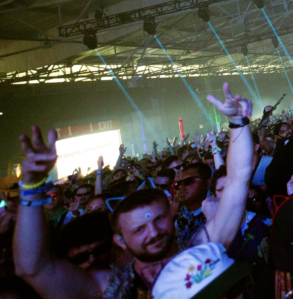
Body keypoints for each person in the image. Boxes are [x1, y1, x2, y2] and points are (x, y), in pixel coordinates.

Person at [13, 82, 254, 299]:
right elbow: (31, 268)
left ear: (171, 214)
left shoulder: (202, 251)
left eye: (159, 219)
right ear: (119, 240)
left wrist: (238, 122)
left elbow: (236, 181)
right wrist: (31, 185)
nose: (154, 232)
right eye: (139, 229)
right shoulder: (111, 287)